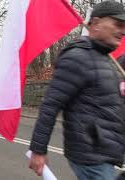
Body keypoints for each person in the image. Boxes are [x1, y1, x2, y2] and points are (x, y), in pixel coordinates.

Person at [28, 1, 125, 180]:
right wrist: (38, 150)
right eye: (118, 25)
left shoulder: (106, 59)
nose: (123, 31)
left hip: (109, 149)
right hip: (91, 155)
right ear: (95, 24)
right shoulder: (77, 57)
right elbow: (50, 105)